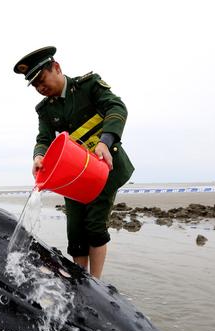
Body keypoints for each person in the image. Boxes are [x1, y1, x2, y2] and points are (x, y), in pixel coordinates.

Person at [13, 46, 134, 279]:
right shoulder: (46, 109)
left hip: (103, 166)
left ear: (56, 68)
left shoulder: (88, 86)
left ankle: (96, 284)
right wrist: (39, 156)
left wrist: (105, 141)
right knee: (76, 231)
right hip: (73, 172)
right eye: (35, 85)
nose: (40, 87)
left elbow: (116, 108)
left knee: (95, 226)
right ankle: (81, 280)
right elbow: (44, 138)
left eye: (42, 79)